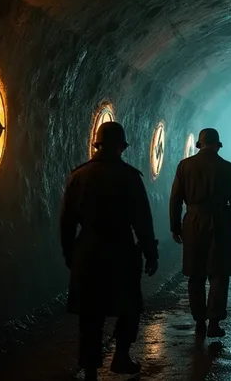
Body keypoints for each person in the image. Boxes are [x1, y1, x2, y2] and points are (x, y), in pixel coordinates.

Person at [60, 121, 159, 381]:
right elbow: (142, 220)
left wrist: (70, 253)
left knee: (90, 314)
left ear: (97, 144)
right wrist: (151, 252)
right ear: (121, 147)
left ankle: (91, 369)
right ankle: (121, 356)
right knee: (130, 306)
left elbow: (66, 221)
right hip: (121, 250)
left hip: (88, 250)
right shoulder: (129, 176)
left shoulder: (78, 176)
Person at [169, 128, 231, 338]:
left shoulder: (184, 166)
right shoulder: (226, 167)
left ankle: (199, 319)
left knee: (195, 274)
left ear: (199, 144)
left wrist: (175, 226)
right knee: (219, 273)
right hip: (220, 222)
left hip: (193, 221)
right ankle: (214, 321)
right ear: (217, 145)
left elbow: (176, 198)